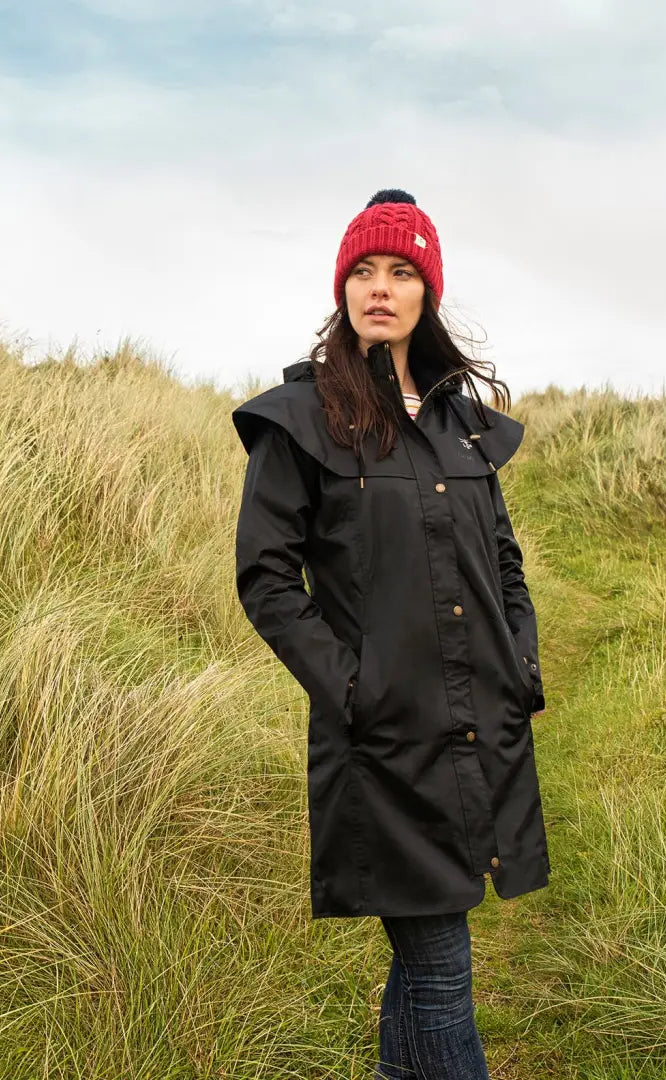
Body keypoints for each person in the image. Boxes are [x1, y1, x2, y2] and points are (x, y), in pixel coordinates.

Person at [231, 189, 550, 1079]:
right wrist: (351, 685)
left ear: (427, 292)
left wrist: (519, 660)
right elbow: (266, 577)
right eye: (363, 271)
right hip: (379, 741)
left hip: (477, 720)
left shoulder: (461, 422)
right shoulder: (302, 419)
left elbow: (503, 557)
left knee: (425, 966)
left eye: (401, 271)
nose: (381, 287)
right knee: (443, 967)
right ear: (342, 288)